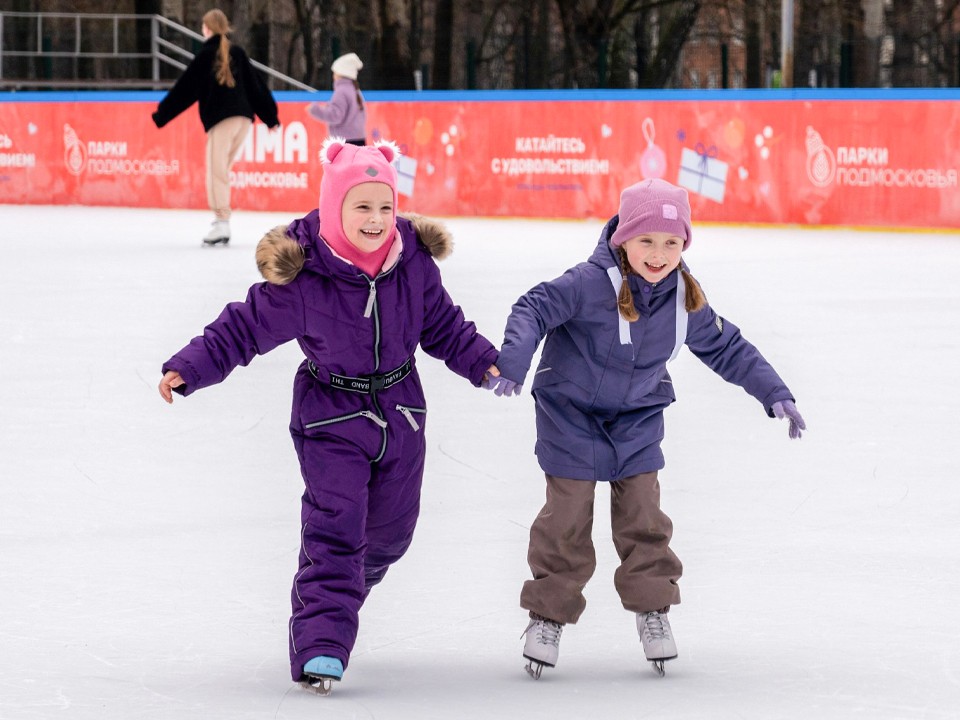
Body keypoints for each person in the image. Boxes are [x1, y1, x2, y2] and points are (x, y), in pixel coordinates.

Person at [157, 138, 500, 693]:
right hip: (330, 417)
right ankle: (321, 643)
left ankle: (339, 591)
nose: (376, 219)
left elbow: (443, 325)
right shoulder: (307, 273)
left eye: (385, 207)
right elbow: (242, 328)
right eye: (362, 206)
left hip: (402, 409)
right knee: (337, 532)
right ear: (334, 205)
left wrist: (483, 362)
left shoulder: (411, 261)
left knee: (391, 534)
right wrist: (190, 368)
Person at [484, 178, 806, 679]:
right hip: (569, 412)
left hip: (636, 415)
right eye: (647, 241)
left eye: (672, 243)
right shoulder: (590, 283)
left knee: (643, 512)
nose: (658, 254)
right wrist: (514, 359)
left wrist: (774, 392)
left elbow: (728, 347)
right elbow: (534, 306)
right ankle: (547, 617)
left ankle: (653, 610)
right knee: (567, 514)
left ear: (684, 245)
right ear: (623, 240)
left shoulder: (683, 298)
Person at [152, 8, 279, 246]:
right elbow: (257, 86)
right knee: (222, 171)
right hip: (243, 121)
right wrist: (270, 117)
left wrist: (162, 114)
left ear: (206, 29)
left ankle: (222, 223)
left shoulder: (206, 56)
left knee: (216, 171)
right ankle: (221, 221)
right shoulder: (238, 53)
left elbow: (184, 90)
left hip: (222, 121)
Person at [306, 53, 367, 146]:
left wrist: (315, 109)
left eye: (334, 72)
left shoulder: (341, 92)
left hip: (345, 142)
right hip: (359, 139)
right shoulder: (355, 90)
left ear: (341, 73)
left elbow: (335, 116)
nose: (333, 75)